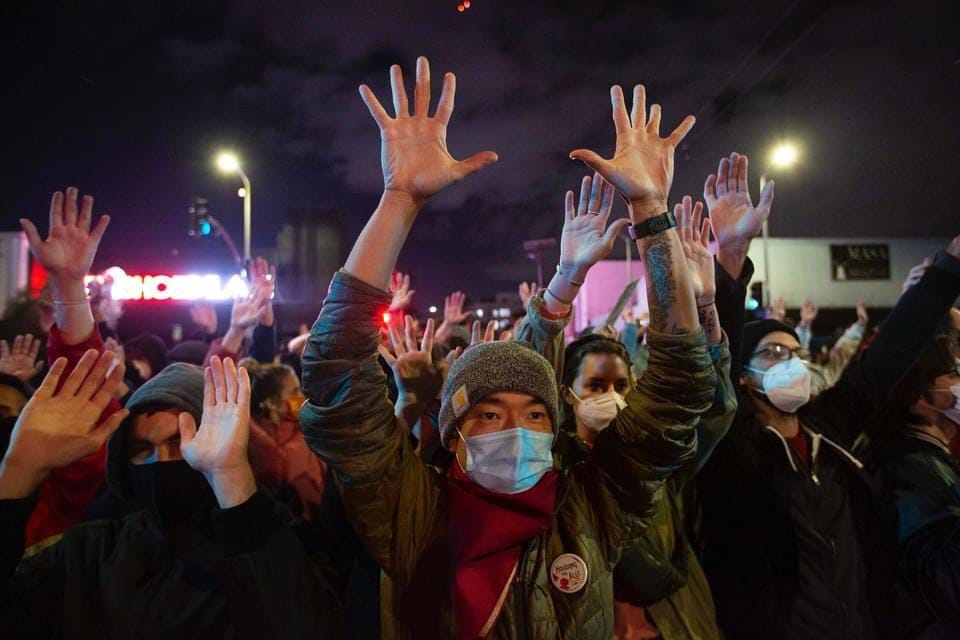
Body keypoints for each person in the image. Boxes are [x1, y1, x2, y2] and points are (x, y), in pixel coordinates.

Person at [300, 56, 716, 639]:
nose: (516, 432)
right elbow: (338, 373)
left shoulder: (590, 511)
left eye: (536, 415)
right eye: (490, 415)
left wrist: (650, 211)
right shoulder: (415, 516)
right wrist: (399, 200)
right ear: (453, 435)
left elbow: (680, 388)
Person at [696, 150, 960, 639]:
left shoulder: (828, 431)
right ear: (745, 375)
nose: (792, 362)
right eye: (775, 353)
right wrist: (730, 256)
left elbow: (887, 357)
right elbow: (715, 370)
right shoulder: (733, 452)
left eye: (796, 352)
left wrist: (950, 267)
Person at [0, 351, 343, 638]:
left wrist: (230, 475)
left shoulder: (282, 543)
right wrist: (17, 472)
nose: (161, 462)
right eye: (141, 450)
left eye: (180, 443)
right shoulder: (87, 553)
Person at [859, 333, 960, 639]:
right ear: (917, 396)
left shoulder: (919, 457)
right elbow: (948, 579)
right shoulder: (907, 471)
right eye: (953, 373)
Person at [243, 359, 326, 522]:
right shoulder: (281, 451)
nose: (302, 396)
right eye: (295, 391)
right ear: (272, 403)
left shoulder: (298, 427)